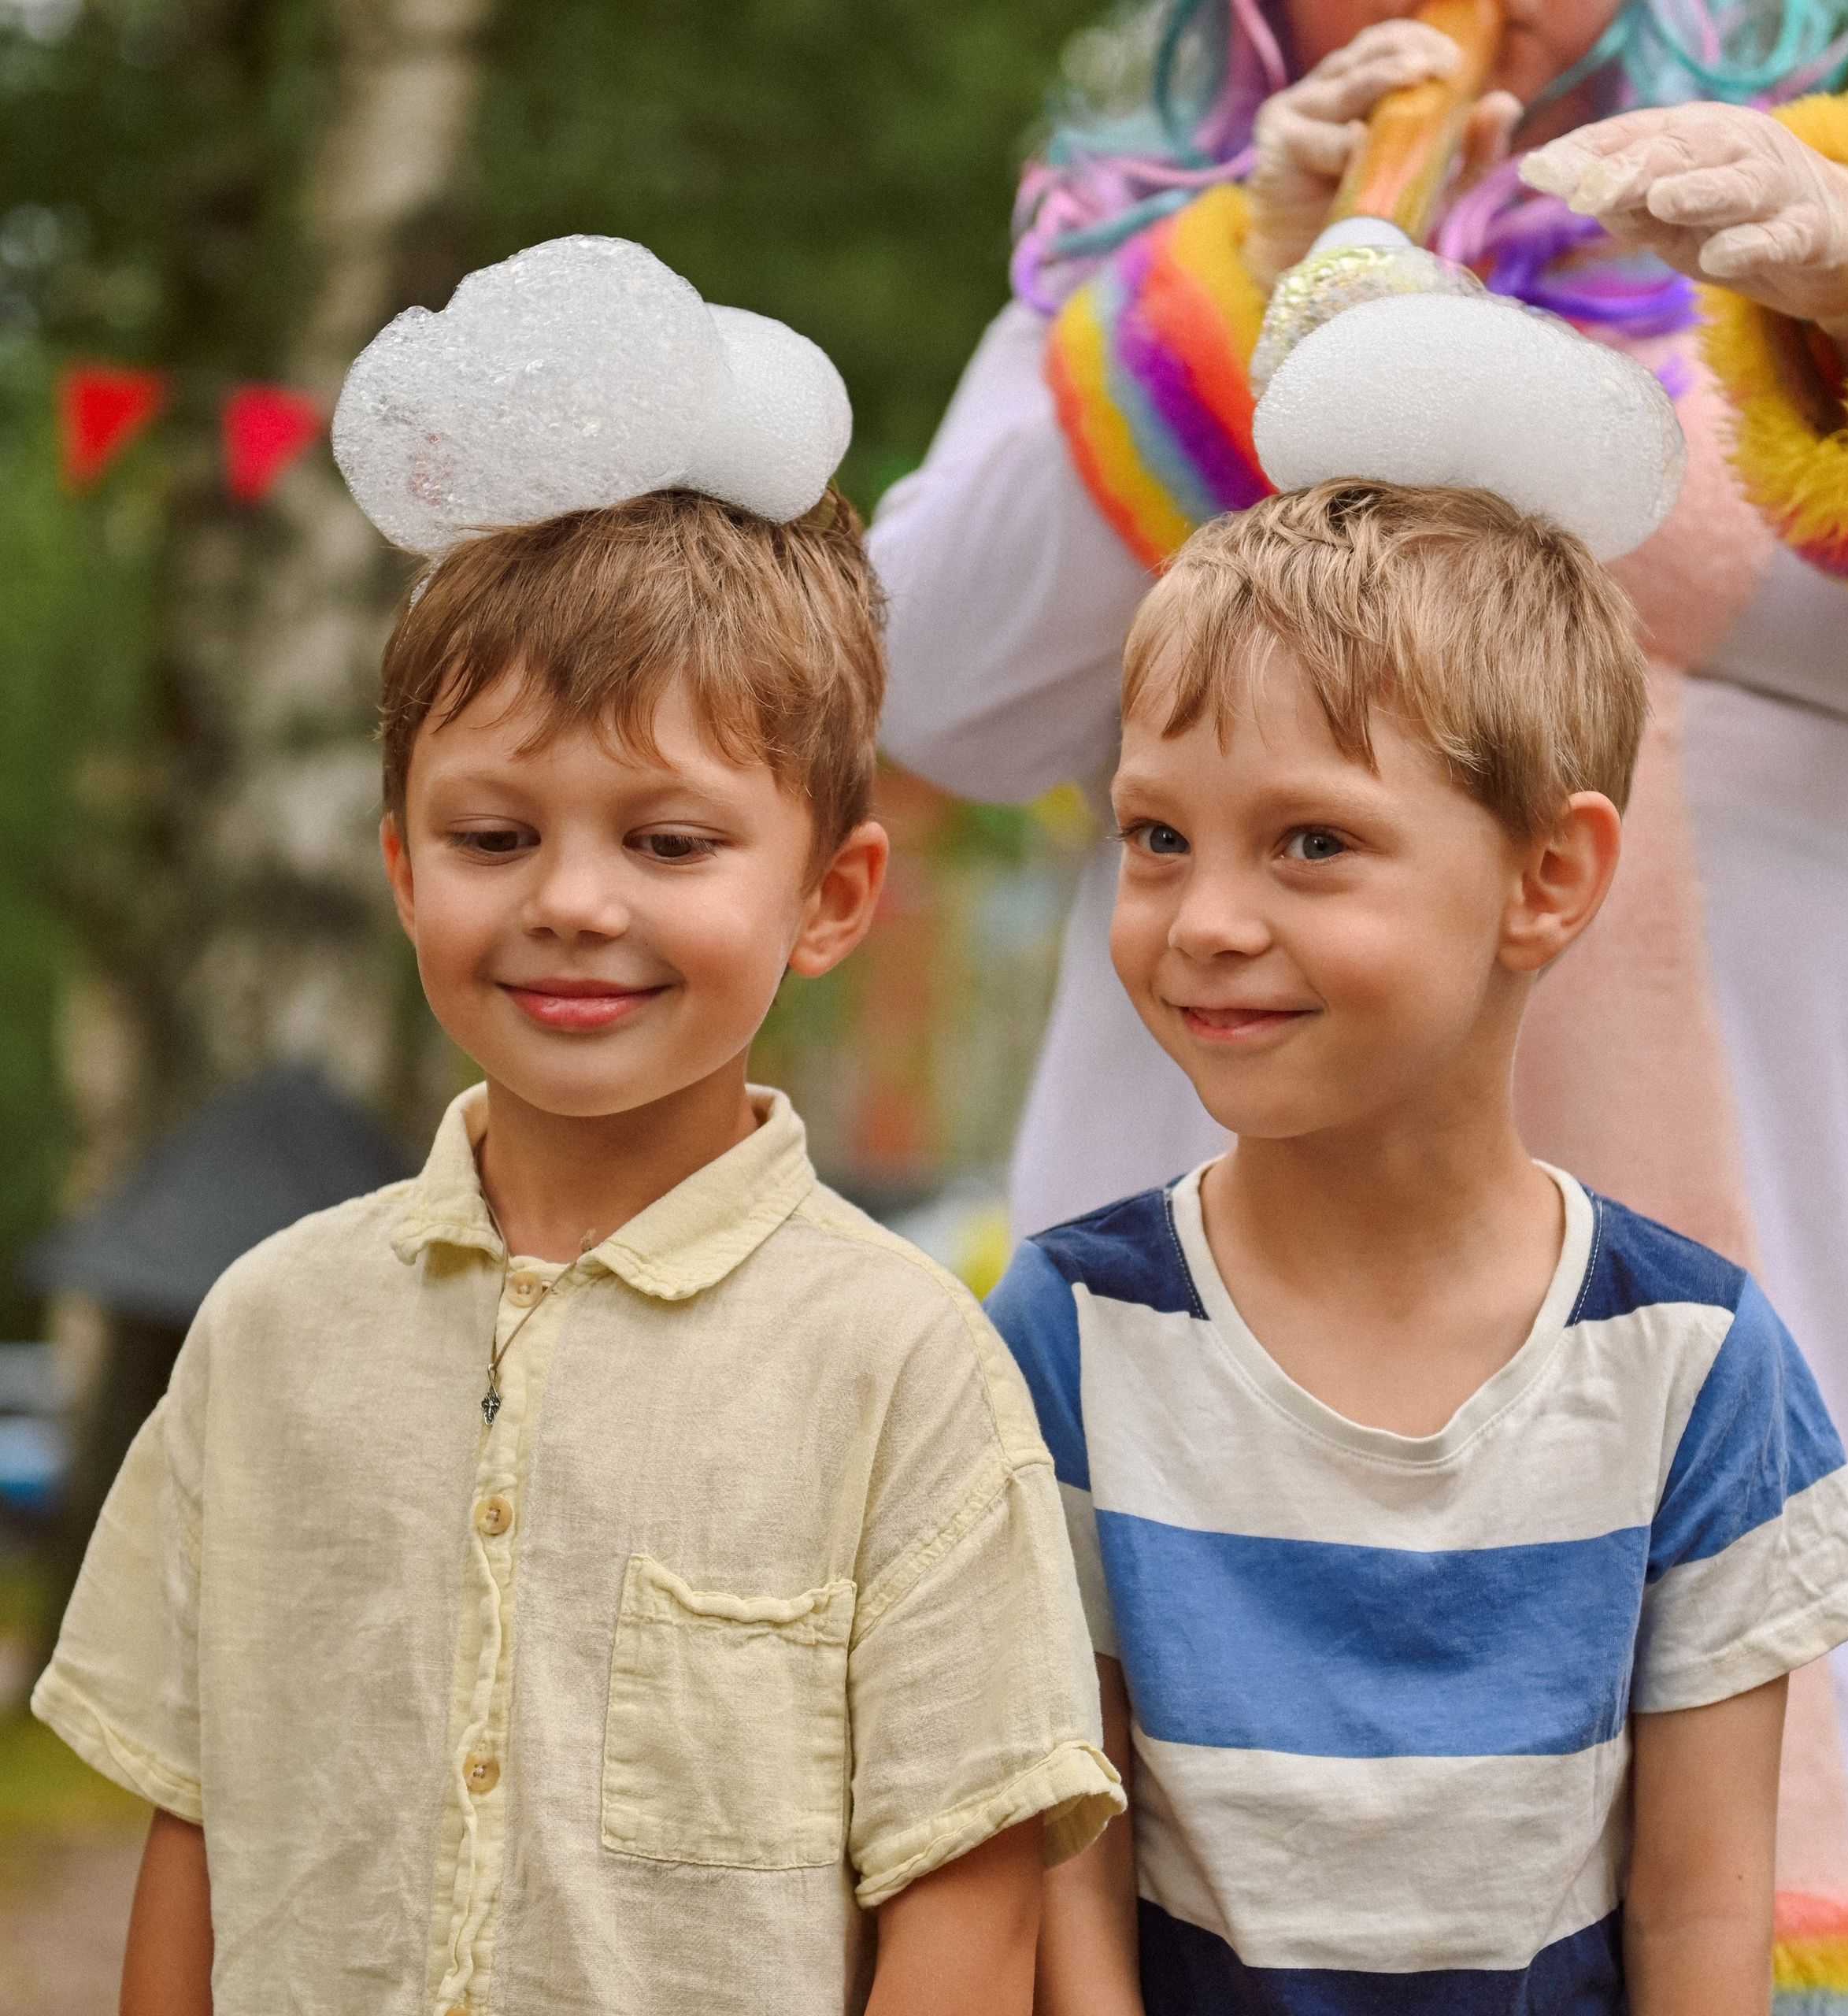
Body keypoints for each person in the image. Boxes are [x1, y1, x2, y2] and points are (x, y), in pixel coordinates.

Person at [870, 0, 1848, 1931]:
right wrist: (1242, 282)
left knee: (1830, 1720)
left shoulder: (1832, 197)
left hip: (1834, 1203)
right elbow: (938, 681)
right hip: (1237, 1211)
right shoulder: (1130, 244)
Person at [31, 239, 1120, 2016]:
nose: (573, 902)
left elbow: (969, 1895)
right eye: (493, 837)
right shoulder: (268, 1330)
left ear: (833, 896)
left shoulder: (900, 1364)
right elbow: (194, 1823)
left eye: (670, 842)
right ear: (402, 869)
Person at [987, 478, 1848, 2015]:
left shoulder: (1691, 1360)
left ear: (1546, 879)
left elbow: (1699, 1909)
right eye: (1157, 835)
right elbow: (1066, 1847)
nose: (1205, 920)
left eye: (1310, 841)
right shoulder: (1070, 1328)